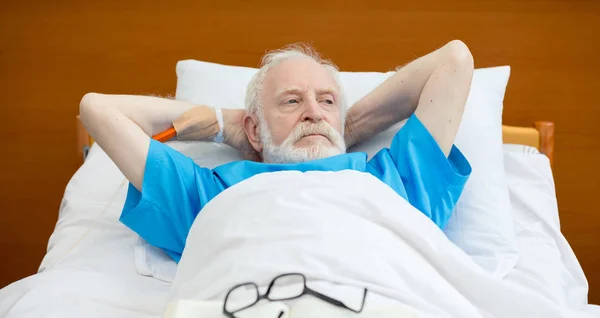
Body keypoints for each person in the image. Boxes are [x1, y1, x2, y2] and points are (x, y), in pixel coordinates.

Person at [79, 41, 473, 263]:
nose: (314, 113)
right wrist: (225, 124)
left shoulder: (398, 181)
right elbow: (98, 110)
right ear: (254, 128)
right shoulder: (210, 193)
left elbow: (455, 59)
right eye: (291, 102)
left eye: (327, 101)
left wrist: (347, 127)